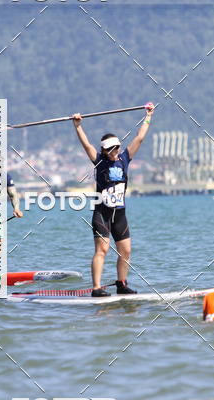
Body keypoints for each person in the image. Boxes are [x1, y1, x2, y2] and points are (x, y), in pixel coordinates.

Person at [73, 103, 155, 297]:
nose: (116, 151)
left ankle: (121, 284)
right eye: (112, 149)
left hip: (119, 215)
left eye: (117, 148)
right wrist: (78, 125)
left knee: (125, 251)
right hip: (102, 213)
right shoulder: (99, 161)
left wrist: (148, 116)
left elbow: (140, 137)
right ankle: (96, 288)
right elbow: (86, 145)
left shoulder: (124, 158)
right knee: (102, 249)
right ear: (104, 150)